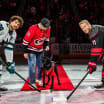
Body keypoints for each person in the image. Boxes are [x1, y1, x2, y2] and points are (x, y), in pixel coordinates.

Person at [22, 18, 51, 88]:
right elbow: (25, 41)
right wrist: (25, 52)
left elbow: (47, 38)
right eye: (44, 27)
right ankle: (32, 82)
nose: (46, 29)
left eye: (47, 27)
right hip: (31, 50)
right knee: (32, 66)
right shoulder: (33, 28)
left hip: (40, 50)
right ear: (40, 24)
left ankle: (39, 79)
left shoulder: (47, 28)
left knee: (40, 65)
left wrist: (46, 45)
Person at [0, 15, 24, 91]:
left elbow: (9, 48)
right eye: (15, 22)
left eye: (18, 25)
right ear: (11, 21)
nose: (16, 25)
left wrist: (9, 63)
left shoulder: (13, 34)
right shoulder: (2, 24)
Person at [79, 19, 104, 89]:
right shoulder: (92, 31)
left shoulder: (94, 32)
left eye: (85, 26)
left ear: (89, 25)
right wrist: (92, 62)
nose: (83, 29)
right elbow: (97, 48)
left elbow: (97, 50)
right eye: (82, 28)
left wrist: (92, 64)